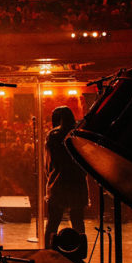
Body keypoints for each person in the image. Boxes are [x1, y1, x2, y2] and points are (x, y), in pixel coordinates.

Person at [44, 106, 88, 250]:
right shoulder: (78, 133)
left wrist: (50, 177)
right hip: (77, 183)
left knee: (53, 221)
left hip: (58, 183)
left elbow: (49, 163)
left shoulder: (53, 136)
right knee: (77, 221)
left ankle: (48, 251)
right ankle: (80, 251)